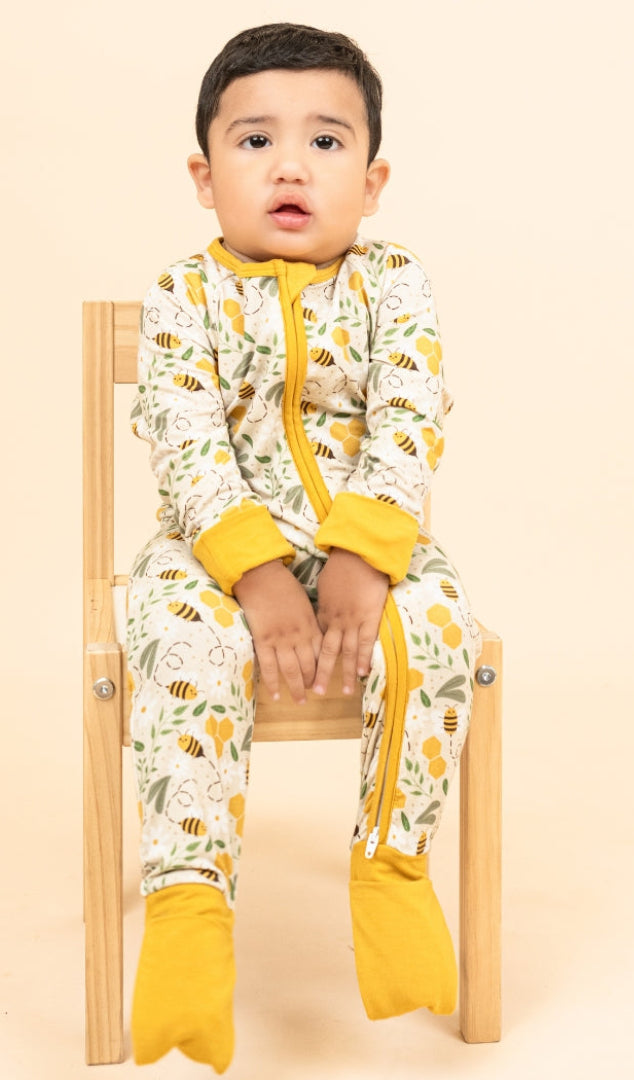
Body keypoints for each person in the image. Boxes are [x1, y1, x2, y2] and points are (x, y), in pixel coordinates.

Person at [125, 22, 483, 1073]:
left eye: (326, 144)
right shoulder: (182, 296)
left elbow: (414, 412)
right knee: (183, 650)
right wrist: (261, 577)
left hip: (369, 535)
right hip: (214, 551)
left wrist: (369, 559)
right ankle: (187, 914)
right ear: (204, 175)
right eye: (254, 142)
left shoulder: (394, 284)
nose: (290, 164)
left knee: (439, 632)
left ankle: (393, 867)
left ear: (371, 182)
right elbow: (183, 444)